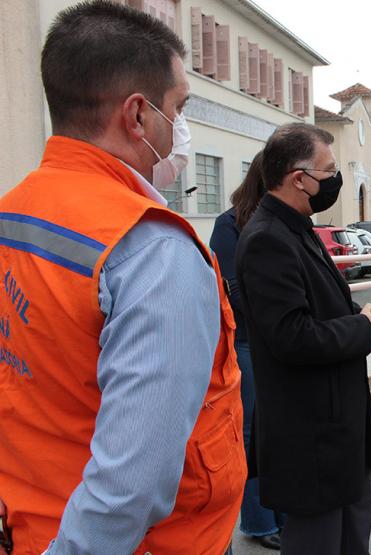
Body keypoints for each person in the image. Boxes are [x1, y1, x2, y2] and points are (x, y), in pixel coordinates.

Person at [0, 2, 245, 554]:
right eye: (178, 109)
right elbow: (131, 486)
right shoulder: (152, 250)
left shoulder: (15, 212)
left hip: (28, 522)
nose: (181, 130)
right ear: (138, 117)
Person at [235, 123, 371, 555]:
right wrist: (361, 328)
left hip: (337, 437)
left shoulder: (297, 227)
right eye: (328, 171)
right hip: (311, 444)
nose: (334, 181)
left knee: (351, 539)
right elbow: (291, 336)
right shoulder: (268, 238)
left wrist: (365, 322)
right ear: (298, 178)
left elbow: (320, 310)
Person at [210, 151, 285, 550]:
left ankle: (281, 513)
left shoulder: (281, 224)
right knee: (252, 432)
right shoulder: (229, 225)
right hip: (247, 344)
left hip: (276, 345)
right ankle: (257, 522)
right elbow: (231, 289)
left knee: (277, 430)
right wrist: (279, 317)